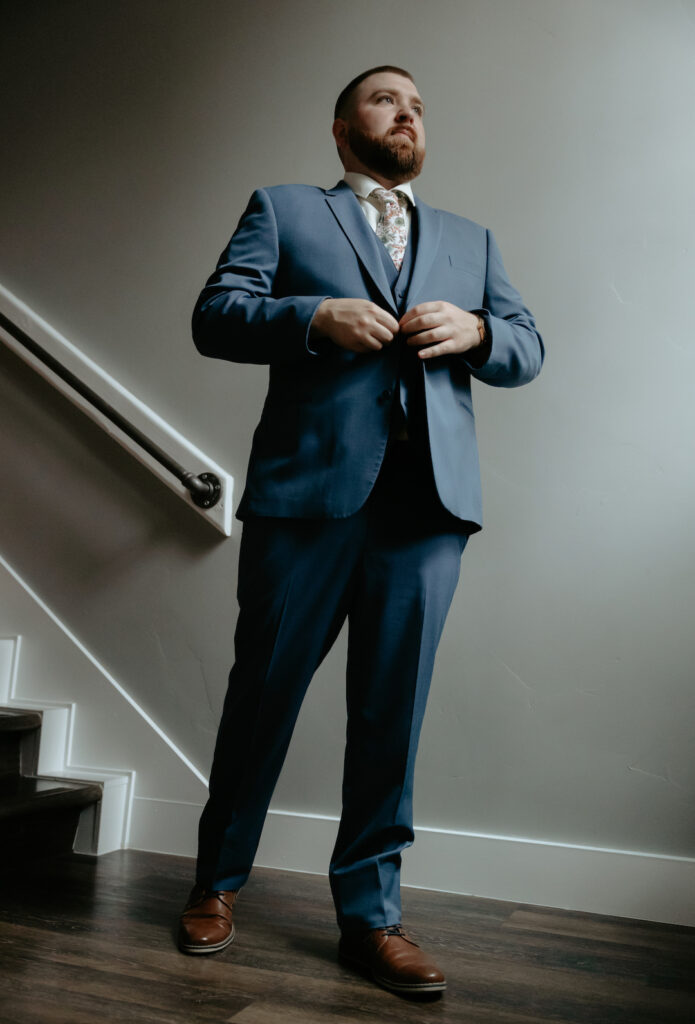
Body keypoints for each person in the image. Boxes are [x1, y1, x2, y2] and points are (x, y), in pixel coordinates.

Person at [178, 65, 544, 997]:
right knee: (262, 696)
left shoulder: (472, 239)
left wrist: (475, 331)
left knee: (392, 717)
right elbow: (215, 315)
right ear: (342, 129)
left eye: (417, 106)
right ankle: (215, 884)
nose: (407, 113)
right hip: (307, 502)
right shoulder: (284, 209)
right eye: (387, 100)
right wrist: (313, 317)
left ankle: (371, 918)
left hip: (426, 514)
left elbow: (527, 345)